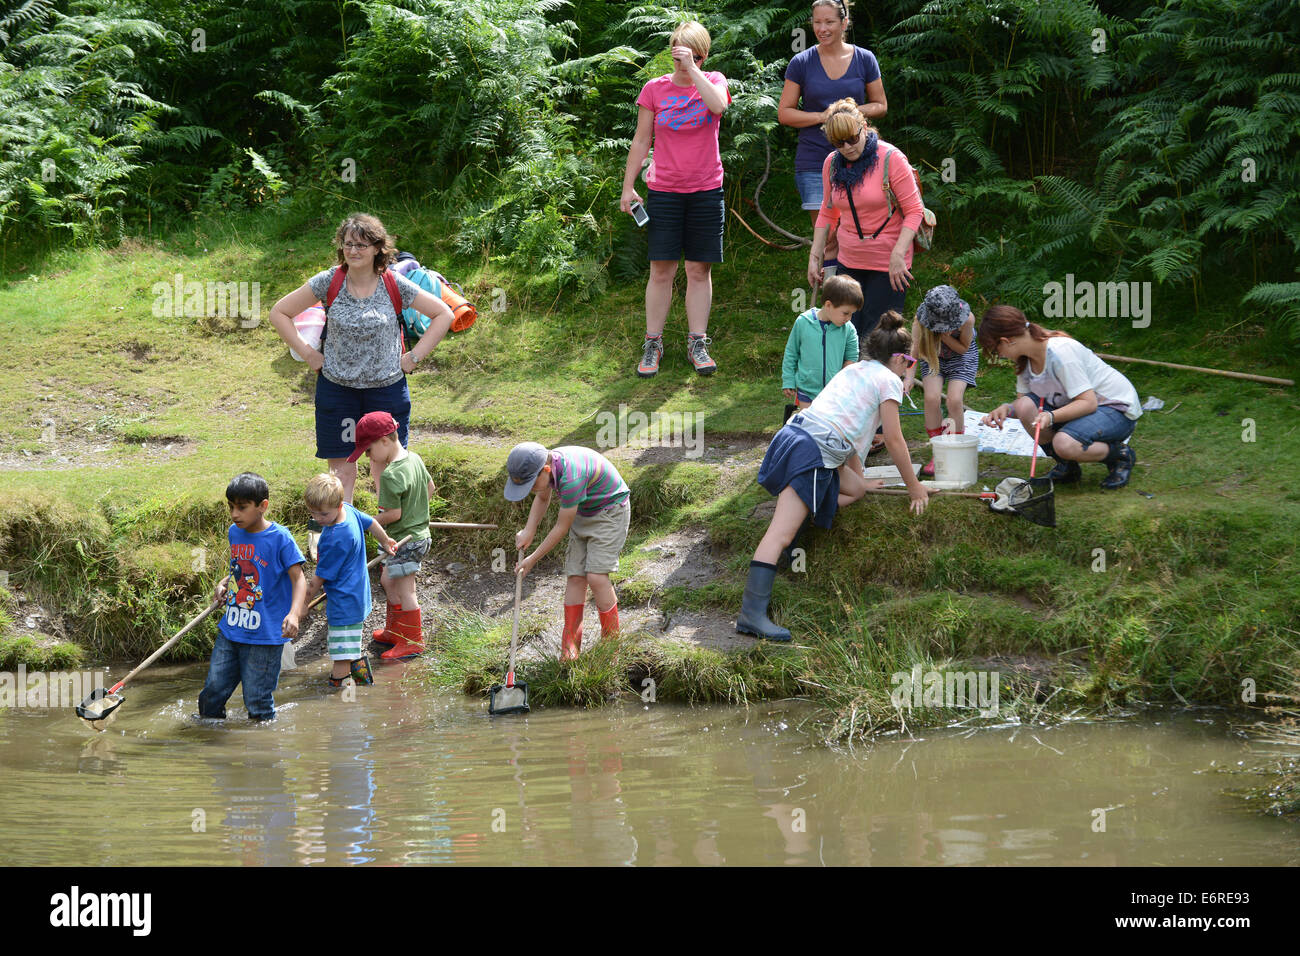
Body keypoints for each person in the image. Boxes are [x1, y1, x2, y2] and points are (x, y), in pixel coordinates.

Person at [268, 213, 454, 554]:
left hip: (387, 388)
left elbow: (445, 313)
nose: (353, 250)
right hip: (337, 389)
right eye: (347, 243)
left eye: (361, 244)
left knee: (386, 465)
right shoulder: (329, 282)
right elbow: (279, 312)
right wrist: (308, 354)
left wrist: (413, 358)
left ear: (378, 248)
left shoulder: (395, 284)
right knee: (342, 466)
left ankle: (393, 543)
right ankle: (339, 541)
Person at [739, 312, 928, 642]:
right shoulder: (889, 382)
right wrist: (916, 489)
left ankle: (796, 524)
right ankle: (751, 615)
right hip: (812, 451)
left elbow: (849, 429)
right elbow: (895, 440)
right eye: (909, 361)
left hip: (798, 436)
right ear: (898, 358)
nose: (908, 367)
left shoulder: (854, 369)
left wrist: (862, 478)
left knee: (855, 490)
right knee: (778, 533)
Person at [620, 20, 731, 378]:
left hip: (705, 189)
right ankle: (653, 342)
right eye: (678, 54)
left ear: (702, 54)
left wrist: (695, 71)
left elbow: (718, 108)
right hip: (665, 190)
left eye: (691, 54)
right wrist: (628, 186)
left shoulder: (713, 81)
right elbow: (640, 141)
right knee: (661, 269)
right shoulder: (655, 89)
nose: (681, 62)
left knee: (699, 269)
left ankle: (697, 342)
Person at [977, 305, 1141, 489]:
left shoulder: (1061, 352)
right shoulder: (1025, 360)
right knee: (1024, 406)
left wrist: (1051, 416)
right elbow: (1025, 403)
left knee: (1064, 443)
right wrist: (1006, 409)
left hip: (1116, 408)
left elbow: (1088, 402)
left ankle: (1120, 455)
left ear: (1006, 341)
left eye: (994, 349)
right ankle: (1067, 467)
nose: (999, 355)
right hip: (1079, 407)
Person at [778, 0, 887, 270]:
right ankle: (833, 301)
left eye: (829, 22)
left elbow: (881, 106)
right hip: (814, 158)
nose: (822, 29)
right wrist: (822, 117)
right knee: (828, 235)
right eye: (817, 22)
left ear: (844, 23)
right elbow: (785, 113)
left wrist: (846, 113)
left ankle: (857, 297)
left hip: (859, 157)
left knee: (856, 230)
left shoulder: (865, 59)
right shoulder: (801, 62)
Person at [808, 99, 922, 340]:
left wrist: (899, 254)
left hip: (889, 262)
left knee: (879, 335)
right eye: (839, 143)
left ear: (864, 127)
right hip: (849, 260)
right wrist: (815, 256)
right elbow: (828, 211)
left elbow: (914, 210)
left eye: (852, 138)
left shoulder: (891, 158)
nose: (848, 147)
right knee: (847, 331)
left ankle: (885, 376)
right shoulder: (832, 164)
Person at [505, 442, 631, 662]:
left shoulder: (571, 478)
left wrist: (533, 559)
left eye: (531, 484)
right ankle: (570, 647)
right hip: (585, 511)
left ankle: (612, 647)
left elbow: (561, 528)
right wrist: (529, 530)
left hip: (611, 511)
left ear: (545, 470)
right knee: (575, 577)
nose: (531, 489)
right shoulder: (547, 466)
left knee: (596, 575)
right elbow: (543, 496)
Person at [199, 473, 307, 721]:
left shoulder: (280, 538)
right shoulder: (234, 533)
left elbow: (299, 578)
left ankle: (262, 749)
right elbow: (238, 570)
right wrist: (223, 584)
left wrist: (293, 614)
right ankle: (209, 740)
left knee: (257, 699)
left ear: (262, 506)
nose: (234, 514)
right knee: (212, 693)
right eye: (231, 507)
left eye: (242, 507)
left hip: (265, 636)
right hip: (232, 628)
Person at [348, 411, 435, 661]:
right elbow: (430, 488)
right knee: (388, 581)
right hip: (415, 536)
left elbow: (394, 514)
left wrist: (369, 522)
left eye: (368, 450)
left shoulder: (390, 474)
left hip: (406, 540)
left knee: (406, 590)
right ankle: (394, 631)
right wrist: (418, 511)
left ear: (385, 440)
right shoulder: (414, 458)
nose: (367, 456)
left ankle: (412, 641)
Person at [302, 473, 398, 686]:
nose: (318, 519)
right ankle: (364, 685)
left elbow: (317, 579)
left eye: (323, 514)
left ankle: (340, 695)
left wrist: (302, 605)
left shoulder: (334, 537)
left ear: (337, 506)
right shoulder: (349, 510)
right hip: (358, 598)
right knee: (351, 648)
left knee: (340, 658)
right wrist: (385, 540)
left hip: (343, 605)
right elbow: (371, 522)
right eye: (313, 513)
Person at [904, 285, 978, 478]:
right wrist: (909, 377)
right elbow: (914, 350)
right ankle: (940, 450)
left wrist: (944, 336)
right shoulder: (921, 320)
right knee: (931, 398)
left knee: (953, 400)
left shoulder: (967, 319)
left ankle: (956, 446)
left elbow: (963, 349)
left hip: (960, 359)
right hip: (932, 355)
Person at [782, 273, 862, 410]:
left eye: (852, 314)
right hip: (806, 390)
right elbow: (791, 352)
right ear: (828, 305)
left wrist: (842, 383)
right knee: (809, 428)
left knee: (829, 428)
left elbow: (851, 358)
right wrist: (788, 380)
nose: (849, 318)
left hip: (834, 393)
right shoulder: (803, 322)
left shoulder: (848, 329)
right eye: (845, 313)